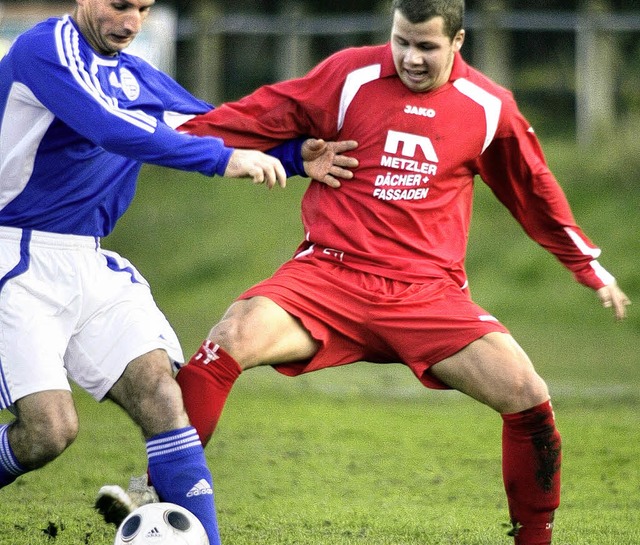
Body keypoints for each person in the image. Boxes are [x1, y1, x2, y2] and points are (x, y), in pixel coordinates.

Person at [98, 0, 631, 544]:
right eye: (401, 41)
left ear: (458, 42)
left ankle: (534, 538)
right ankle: (154, 490)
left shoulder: (489, 107)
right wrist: (163, 134)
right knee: (230, 337)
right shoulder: (350, 74)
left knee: (527, 394)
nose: (410, 57)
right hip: (331, 275)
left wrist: (587, 266)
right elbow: (264, 114)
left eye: (426, 46)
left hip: (429, 294)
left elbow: (534, 191)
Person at [0, 0, 357, 543]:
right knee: (48, 431)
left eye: (143, 8)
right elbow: (113, 129)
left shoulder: (136, 74)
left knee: (163, 396)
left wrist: (290, 156)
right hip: (15, 258)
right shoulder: (44, 50)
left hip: (88, 261)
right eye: (120, 5)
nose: (131, 23)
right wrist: (225, 162)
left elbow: (206, 125)